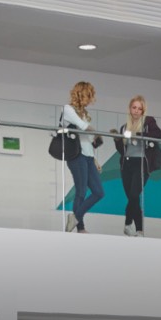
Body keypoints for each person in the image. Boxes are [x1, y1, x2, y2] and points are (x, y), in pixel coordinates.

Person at [109, 95, 161, 237]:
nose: (136, 111)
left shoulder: (148, 121)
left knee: (134, 194)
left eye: (140, 108)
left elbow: (158, 134)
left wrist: (137, 134)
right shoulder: (123, 127)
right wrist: (117, 140)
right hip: (126, 164)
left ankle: (130, 225)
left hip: (141, 164)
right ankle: (136, 229)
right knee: (132, 198)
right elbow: (122, 151)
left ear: (143, 110)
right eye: (134, 107)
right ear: (130, 108)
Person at [60, 81, 104, 233]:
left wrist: (95, 159)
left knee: (99, 192)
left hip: (88, 156)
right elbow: (83, 126)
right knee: (81, 191)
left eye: (90, 96)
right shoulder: (68, 109)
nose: (90, 99)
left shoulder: (85, 113)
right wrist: (97, 131)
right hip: (76, 156)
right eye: (87, 95)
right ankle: (80, 227)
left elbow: (88, 140)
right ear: (79, 94)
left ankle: (75, 217)